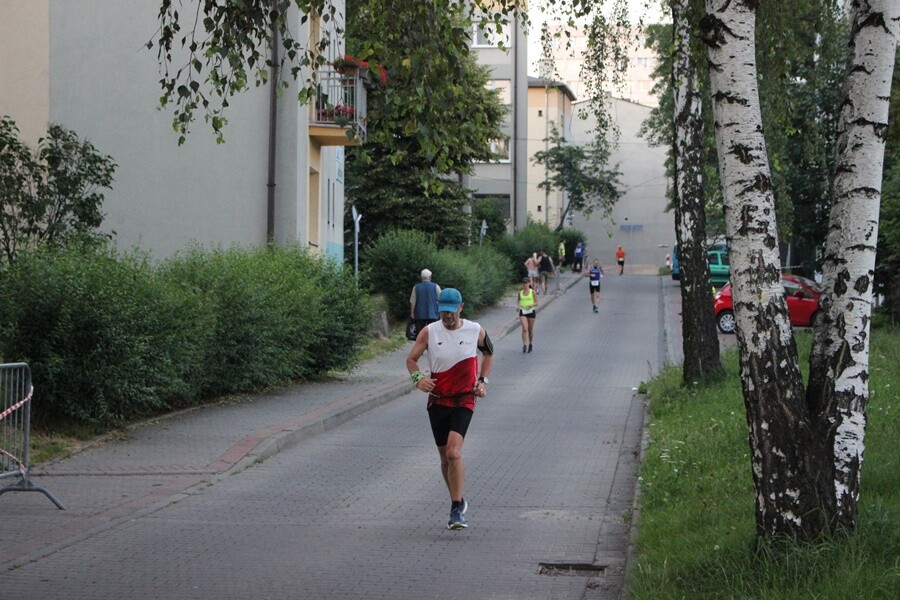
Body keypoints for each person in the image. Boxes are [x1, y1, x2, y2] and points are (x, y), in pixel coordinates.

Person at [406, 288, 494, 531]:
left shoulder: (475, 330)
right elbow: (411, 359)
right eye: (443, 311)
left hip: (464, 398)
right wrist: (418, 379)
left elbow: (488, 352)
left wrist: (482, 381)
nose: (447, 316)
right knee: (445, 457)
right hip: (437, 400)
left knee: (454, 453)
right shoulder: (429, 332)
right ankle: (458, 499)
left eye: (451, 311)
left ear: (460, 308)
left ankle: (456, 508)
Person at [409, 269, 442, 335]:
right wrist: (441, 313)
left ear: (421, 277)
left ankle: (422, 344)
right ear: (430, 277)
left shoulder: (416, 287)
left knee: (420, 334)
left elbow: (413, 302)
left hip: (420, 314)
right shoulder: (436, 286)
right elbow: (441, 300)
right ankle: (431, 344)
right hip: (433, 314)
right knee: (433, 333)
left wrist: (412, 313)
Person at [517, 277, 538, 353]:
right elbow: (518, 300)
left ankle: (530, 343)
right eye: (523, 283)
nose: (525, 285)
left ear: (529, 283)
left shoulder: (532, 292)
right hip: (523, 311)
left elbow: (537, 302)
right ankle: (524, 345)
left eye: (526, 283)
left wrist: (532, 305)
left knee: (530, 329)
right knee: (524, 328)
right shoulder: (520, 293)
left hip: (531, 311)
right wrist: (518, 306)